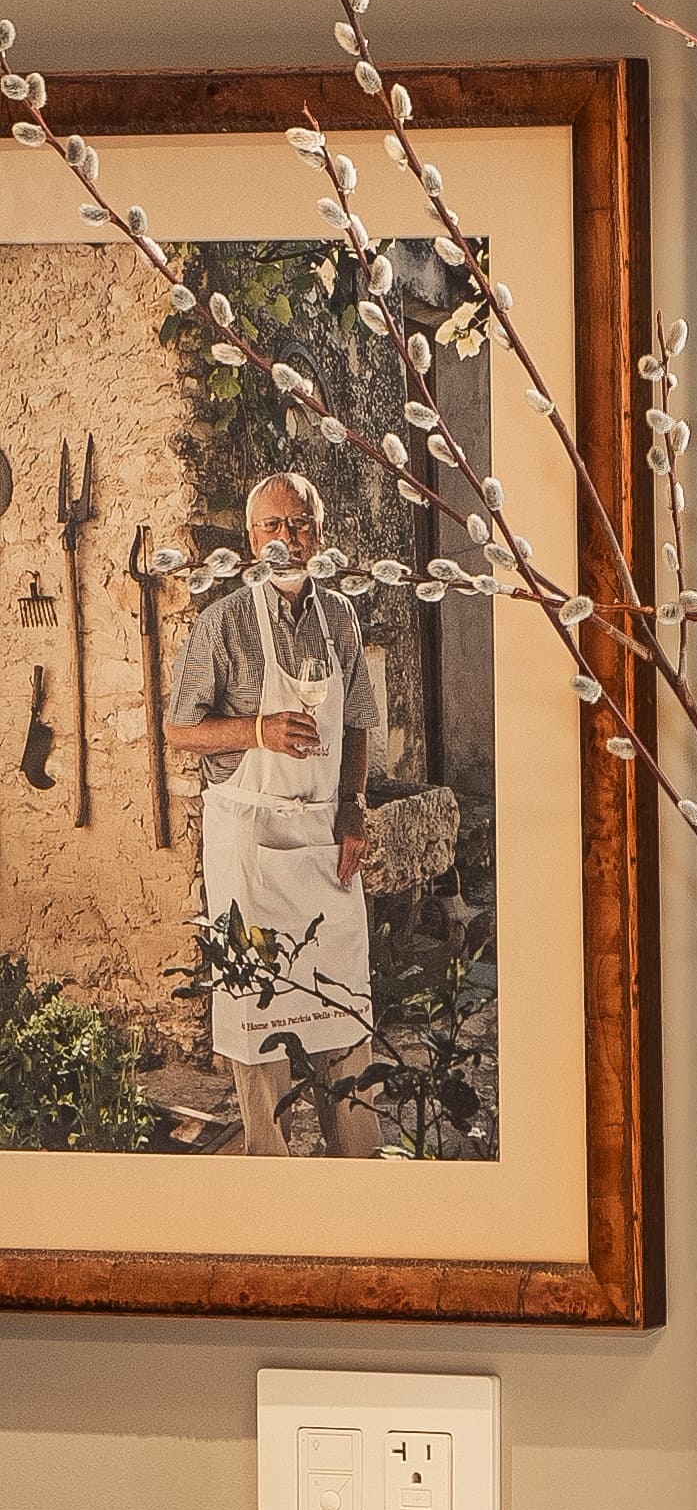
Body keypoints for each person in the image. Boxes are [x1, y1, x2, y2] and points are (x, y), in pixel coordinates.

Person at [162, 471, 391, 1157]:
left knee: (343, 1003)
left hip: (322, 838)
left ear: (320, 535)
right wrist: (254, 732)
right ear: (250, 540)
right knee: (256, 1005)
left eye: (301, 525)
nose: (287, 540)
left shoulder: (341, 618)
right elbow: (179, 730)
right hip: (250, 845)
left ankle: (360, 1165)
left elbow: (355, 726)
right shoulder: (222, 623)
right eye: (272, 527)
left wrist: (352, 807)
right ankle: (272, 1169)